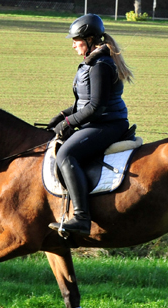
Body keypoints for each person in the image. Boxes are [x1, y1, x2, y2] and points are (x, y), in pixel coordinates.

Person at [48, 14, 134, 235]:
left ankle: (81, 218)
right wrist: (62, 115)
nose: (73, 45)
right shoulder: (92, 62)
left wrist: (69, 122)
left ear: (88, 39)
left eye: (76, 40)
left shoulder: (101, 65)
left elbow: (96, 107)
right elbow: (84, 102)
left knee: (66, 155)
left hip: (108, 124)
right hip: (99, 121)